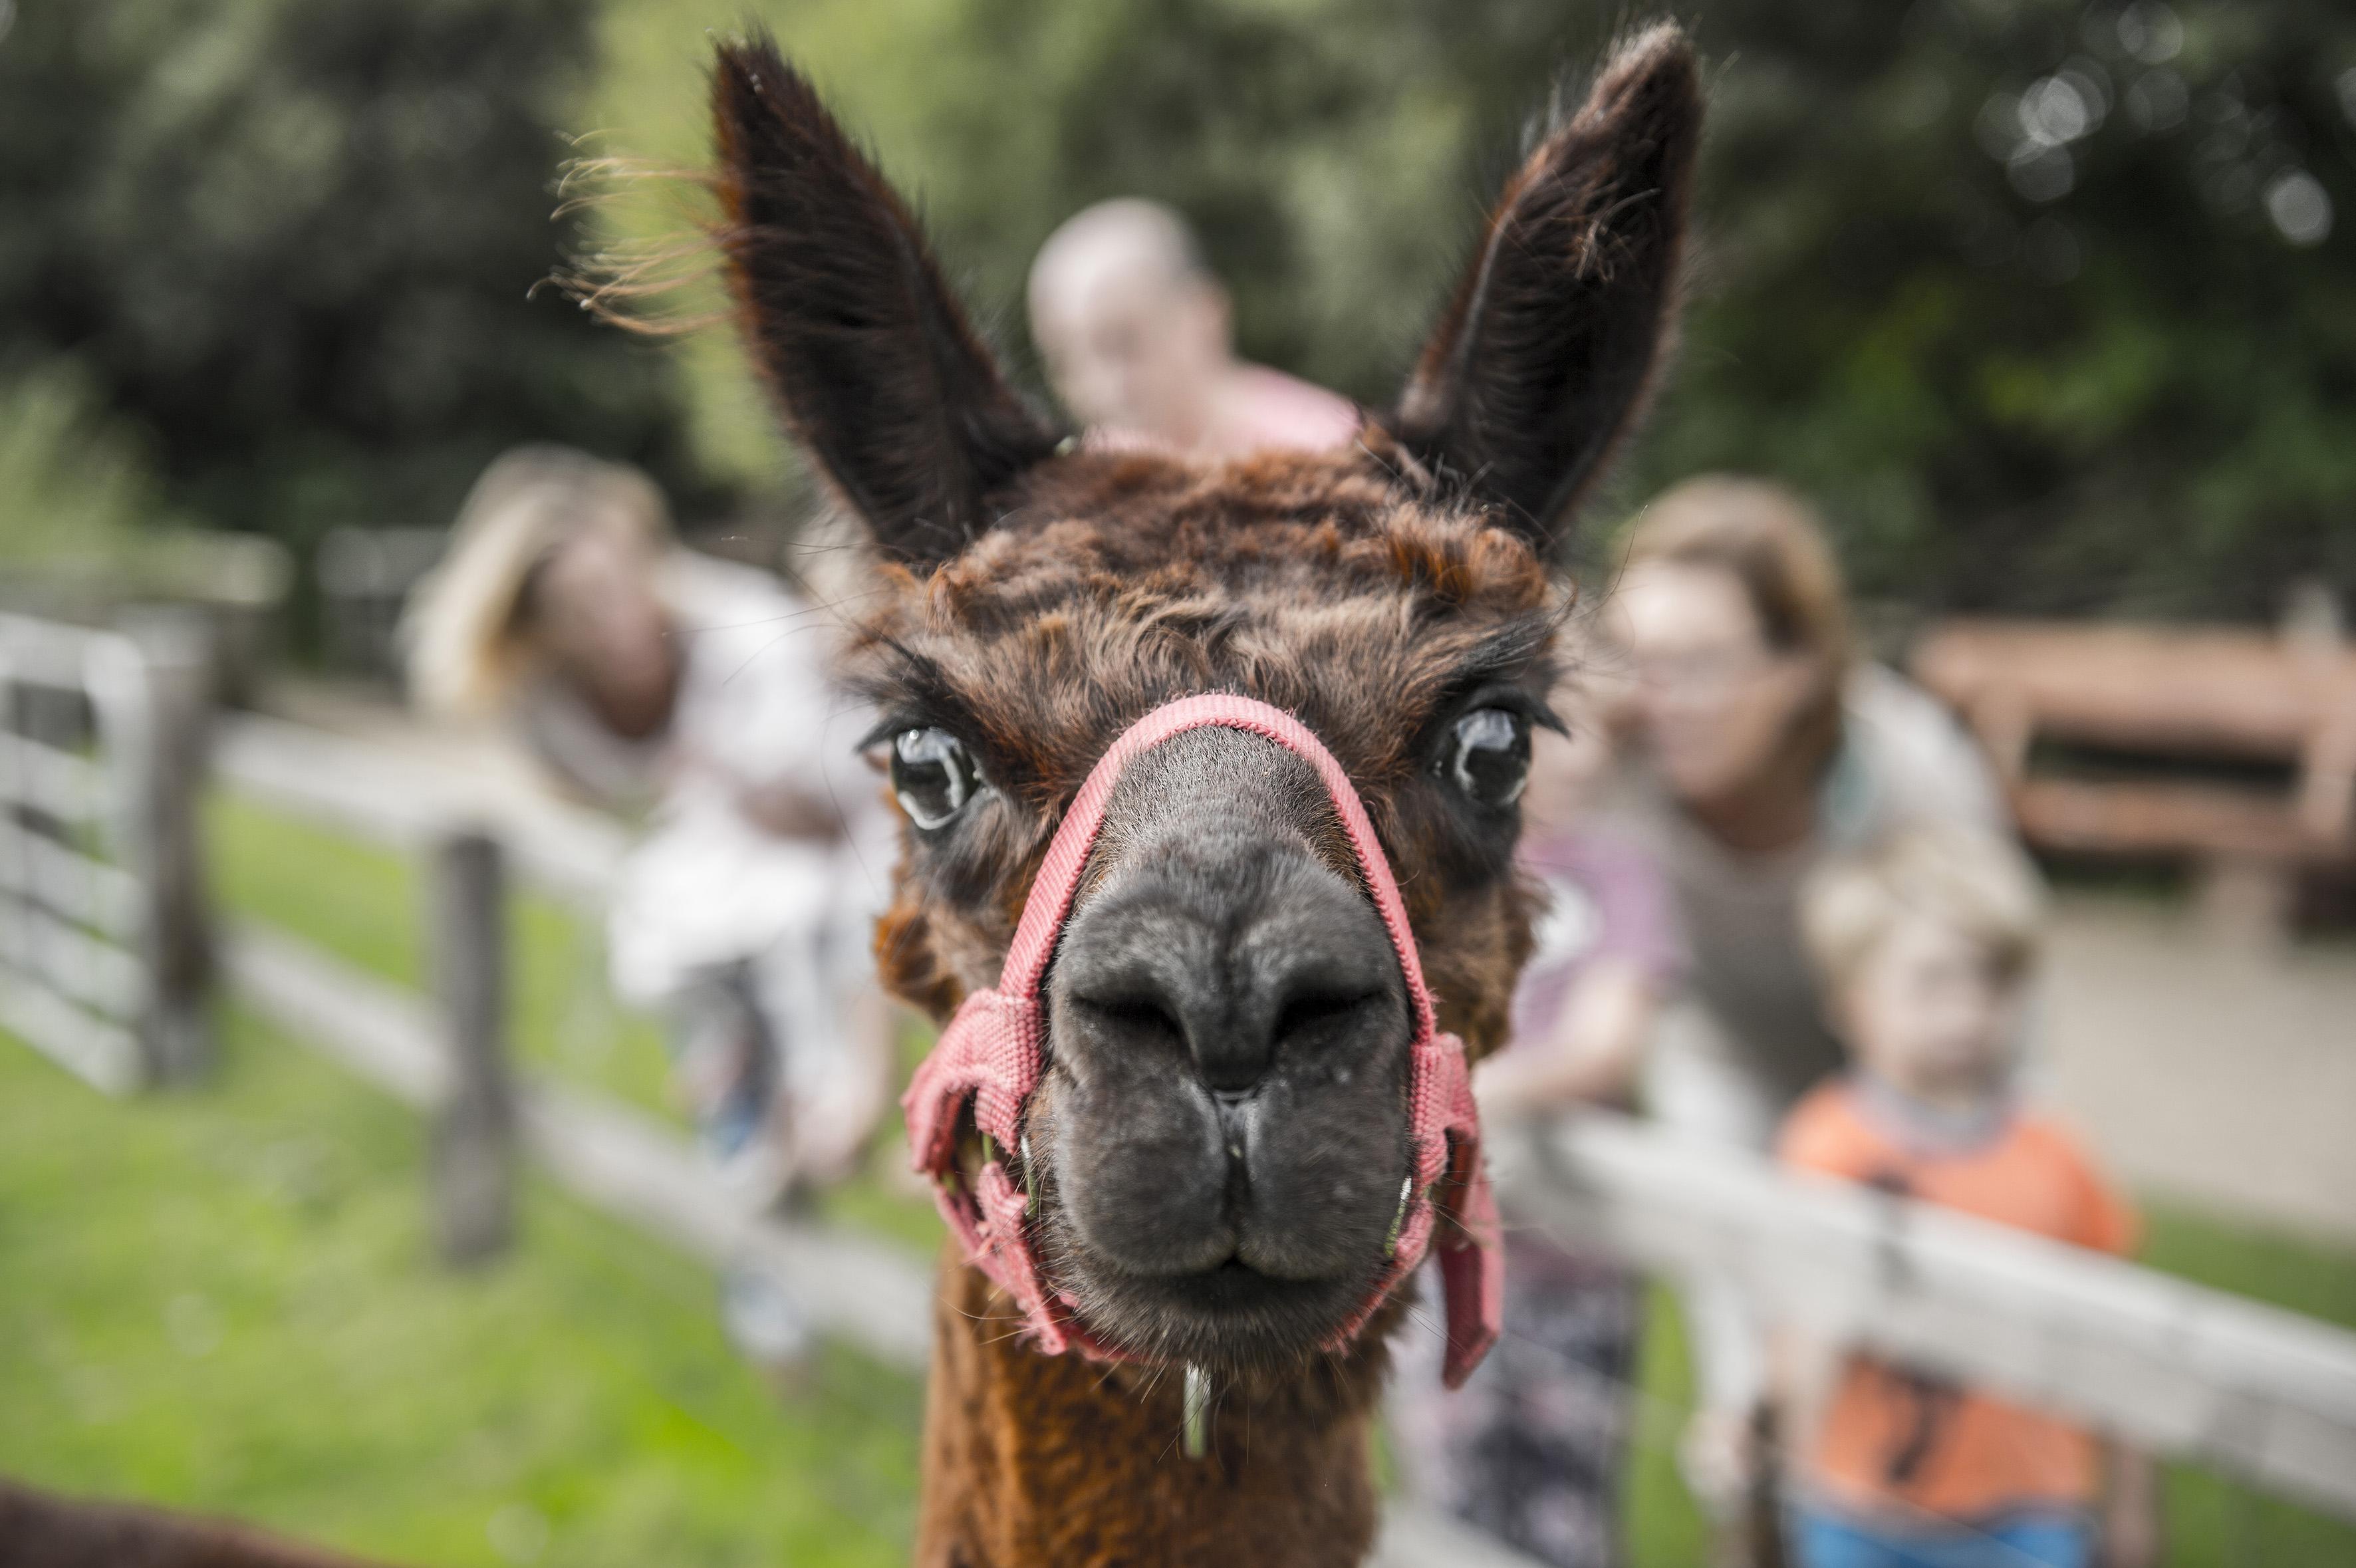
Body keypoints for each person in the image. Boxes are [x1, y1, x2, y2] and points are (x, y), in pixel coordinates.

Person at [1590, 476, 2014, 1510]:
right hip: (1720, 1052)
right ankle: (1759, 1510)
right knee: (1748, 1394)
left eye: (1696, 663)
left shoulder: (1907, 771)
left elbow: (2005, 981)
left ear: (1794, 668)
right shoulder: (1612, 768)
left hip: (1912, 1058)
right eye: (1634, 657)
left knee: (1935, 1357)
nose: (1655, 695)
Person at [402, 446, 894, 1211]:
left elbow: (848, 819)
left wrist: (865, 1072)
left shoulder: (746, 637)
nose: (615, 624)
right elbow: (599, 798)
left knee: (795, 922)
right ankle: (752, 1142)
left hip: (829, 871)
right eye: (576, 611)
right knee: (682, 952)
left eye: (616, 588)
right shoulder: (544, 706)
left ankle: (821, 1107)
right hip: (709, 909)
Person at [1774, 824, 2157, 1568]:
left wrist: (2133, 1503)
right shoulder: (1824, 1148)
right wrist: (1780, 1478)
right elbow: (1799, 1336)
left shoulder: (2058, 1157)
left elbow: (2123, 1343)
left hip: (2027, 1509)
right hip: (1857, 1507)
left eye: (1991, 980)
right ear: (1852, 1001)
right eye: (1933, 982)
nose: (1967, 1011)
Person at [1392, 665, 1681, 1568]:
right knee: (1452, 1497)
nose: (1575, 760)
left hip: (1573, 1263)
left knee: (1565, 1514)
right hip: (1444, 1256)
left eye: (1598, 735)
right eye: (1549, 734)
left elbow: (1607, 1043)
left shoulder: (1620, 874)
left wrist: (1476, 1093)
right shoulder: (1444, 869)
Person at [1027, 198, 1360, 457]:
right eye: (1063, 364)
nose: (1100, 387)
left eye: (1125, 343)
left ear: (1206, 315)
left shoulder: (1332, 452)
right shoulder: (1089, 478)